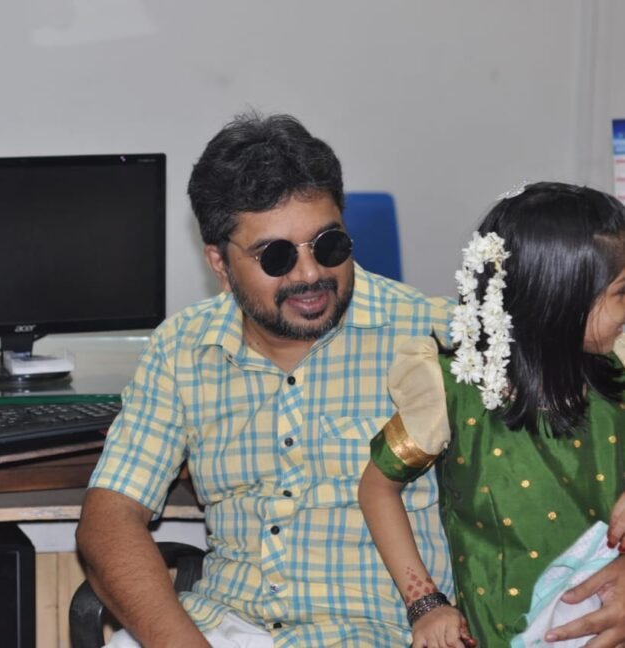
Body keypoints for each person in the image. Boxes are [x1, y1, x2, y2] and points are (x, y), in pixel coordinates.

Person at [75, 112, 456, 646]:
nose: (309, 274)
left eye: (328, 244)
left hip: (378, 633)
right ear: (220, 264)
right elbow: (110, 517)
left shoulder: (437, 336)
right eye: (276, 256)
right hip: (223, 628)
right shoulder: (183, 348)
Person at [359, 181, 625, 647]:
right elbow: (377, 488)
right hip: (507, 631)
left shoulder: (617, 362)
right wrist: (424, 604)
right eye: (622, 292)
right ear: (558, 300)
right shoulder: (451, 391)